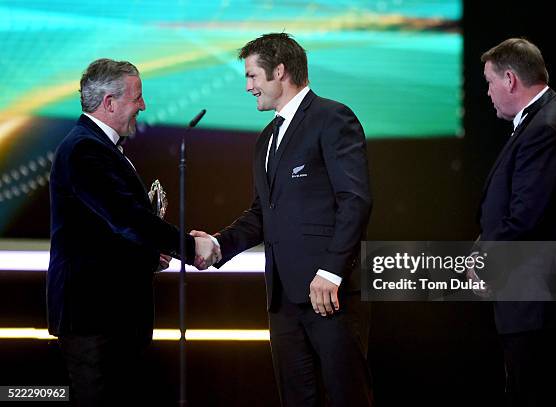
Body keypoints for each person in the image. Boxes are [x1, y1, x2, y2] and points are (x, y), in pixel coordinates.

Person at [192, 33, 373, 406]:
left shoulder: (332, 117)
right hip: (282, 302)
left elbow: (354, 200)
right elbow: (262, 213)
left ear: (279, 71)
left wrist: (331, 272)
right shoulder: (265, 140)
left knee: (347, 396)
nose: (248, 87)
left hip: (328, 295)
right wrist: (219, 244)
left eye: (252, 76)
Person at [47, 58, 217, 406]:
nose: (143, 105)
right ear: (109, 102)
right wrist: (190, 247)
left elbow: (106, 232)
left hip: (113, 320)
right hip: (94, 320)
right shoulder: (84, 149)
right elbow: (128, 219)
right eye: (137, 97)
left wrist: (148, 255)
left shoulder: (101, 147)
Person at [472, 38, 556, 405]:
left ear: (510, 80)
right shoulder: (541, 121)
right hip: (534, 300)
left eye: (490, 82)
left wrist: (483, 261)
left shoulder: (547, 127)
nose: (488, 93)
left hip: (543, 303)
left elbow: (526, 218)